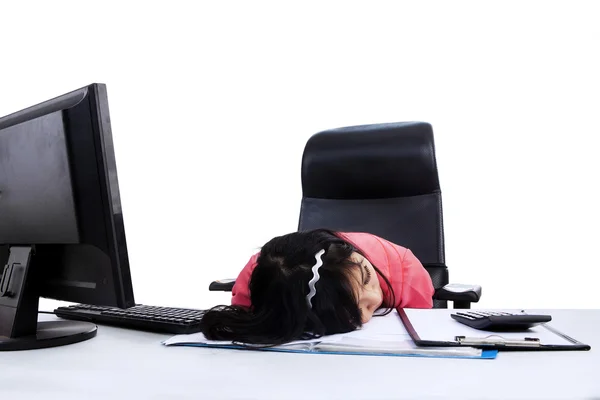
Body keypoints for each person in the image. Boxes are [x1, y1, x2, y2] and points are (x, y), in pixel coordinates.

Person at [199, 229, 434, 346]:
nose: (374, 298)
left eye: (366, 278)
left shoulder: (407, 271)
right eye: (352, 308)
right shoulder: (261, 277)